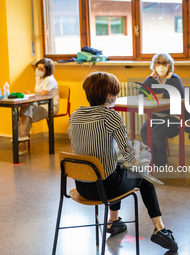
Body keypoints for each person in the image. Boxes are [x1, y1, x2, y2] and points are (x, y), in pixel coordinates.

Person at [68, 72, 178, 251]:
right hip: (105, 188)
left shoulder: (75, 115)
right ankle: (160, 229)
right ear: (110, 96)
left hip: (83, 187)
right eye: (115, 93)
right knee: (143, 177)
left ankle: (114, 222)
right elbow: (128, 154)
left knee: (116, 168)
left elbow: (81, 146)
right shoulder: (112, 116)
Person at [139, 53, 184, 167]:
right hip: (156, 115)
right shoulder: (151, 79)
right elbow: (141, 93)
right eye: (157, 63)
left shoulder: (174, 78)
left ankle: (161, 160)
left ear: (169, 65)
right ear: (154, 65)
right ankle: (151, 158)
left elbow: (180, 94)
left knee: (156, 133)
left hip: (173, 116)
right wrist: (150, 77)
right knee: (144, 131)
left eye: (164, 63)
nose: (160, 65)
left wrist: (160, 95)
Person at [18, 58, 60, 155]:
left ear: (47, 70)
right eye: (37, 67)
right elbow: (38, 95)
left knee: (27, 115)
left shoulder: (49, 79)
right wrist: (31, 94)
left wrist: (32, 95)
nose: (38, 70)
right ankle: (22, 137)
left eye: (41, 69)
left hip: (50, 106)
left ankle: (21, 141)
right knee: (25, 108)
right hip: (39, 104)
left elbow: (43, 96)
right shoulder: (38, 78)